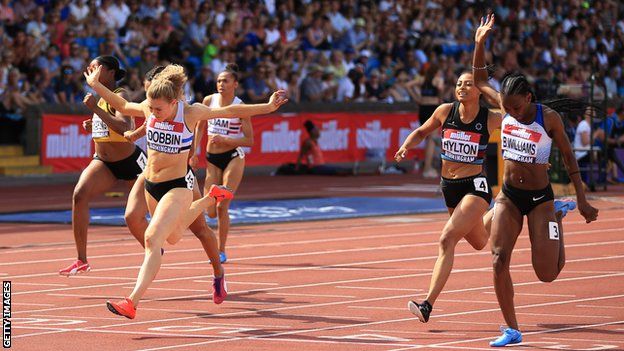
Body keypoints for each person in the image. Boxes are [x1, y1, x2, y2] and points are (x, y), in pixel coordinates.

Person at [83, 63, 287, 319]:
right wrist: (96, 86)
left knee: (152, 238)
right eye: (151, 108)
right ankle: (211, 197)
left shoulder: (191, 113)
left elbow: (231, 109)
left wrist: (267, 107)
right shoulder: (150, 108)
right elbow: (123, 106)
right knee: (174, 236)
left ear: (172, 103)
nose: (154, 113)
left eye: (159, 109)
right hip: (152, 185)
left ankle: (132, 302)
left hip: (178, 186)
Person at [473, 15, 598, 347]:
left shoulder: (549, 119)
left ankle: (559, 216)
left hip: (541, 199)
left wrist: (582, 200)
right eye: (506, 108)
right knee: (498, 258)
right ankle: (512, 329)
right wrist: (479, 44)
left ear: (528, 97)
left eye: (515, 107)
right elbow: (479, 78)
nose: (510, 113)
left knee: (547, 274)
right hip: (510, 196)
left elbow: (570, 159)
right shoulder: (506, 107)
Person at [395, 71, 501, 323]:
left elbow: (516, 116)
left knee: (446, 239)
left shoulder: (490, 118)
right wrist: (406, 146)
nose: (462, 88)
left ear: (480, 92)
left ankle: (427, 305)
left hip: (475, 187)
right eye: (458, 84)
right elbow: (422, 131)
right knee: (479, 242)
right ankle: (503, 206)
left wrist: (491, 92)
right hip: (449, 187)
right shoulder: (445, 111)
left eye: (468, 84)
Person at [123, 65, 229, 304]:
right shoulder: (152, 107)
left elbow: (195, 126)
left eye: (156, 103)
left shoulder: (186, 110)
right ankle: (156, 245)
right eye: (148, 99)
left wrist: (193, 153)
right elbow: (146, 121)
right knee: (141, 220)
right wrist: (135, 134)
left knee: (199, 229)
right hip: (151, 172)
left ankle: (218, 273)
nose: (151, 108)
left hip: (180, 175)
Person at [59, 56, 147, 277]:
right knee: (79, 195)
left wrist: (96, 112)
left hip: (131, 163)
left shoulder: (121, 95)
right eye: (88, 67)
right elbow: (109, 127)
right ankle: (81, 260)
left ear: (109, 72)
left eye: (95, 67)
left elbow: (124, 126)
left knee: (146, 212)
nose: (90, 70)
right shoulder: (98, 98)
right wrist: (94, 126)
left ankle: (154, 250)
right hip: (104, 163)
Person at [190, 64, 252, 264]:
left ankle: (221, 250)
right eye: (218, 81)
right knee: (209, 210)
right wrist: (194, 152)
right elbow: (199, 128)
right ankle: (218, 243)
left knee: (223, 206)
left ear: (235, 84)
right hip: (212, 158)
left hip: (234, 156)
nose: (220, 84)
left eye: (225, 81)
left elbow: (249, 140)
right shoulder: (209, 101)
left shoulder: (240, 107)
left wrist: (227, 141)